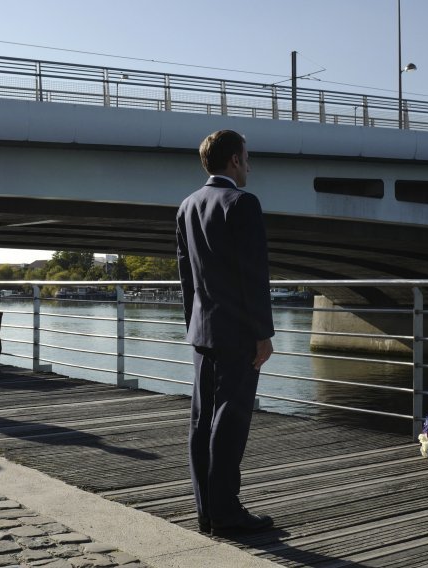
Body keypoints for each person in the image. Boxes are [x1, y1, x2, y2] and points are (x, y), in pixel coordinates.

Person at [176, 129, 274, 533]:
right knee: (230, 421)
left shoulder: (187, 206)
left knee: (202, 422)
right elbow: (254, 276)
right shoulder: (242, 203)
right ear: (234, 159)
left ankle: (207, 513)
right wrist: (263, 333)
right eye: (247, 157)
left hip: (203, 332)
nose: (250, 165)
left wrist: (193, 325)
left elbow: (187, 277)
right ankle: (227, 513)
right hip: (237, 334)